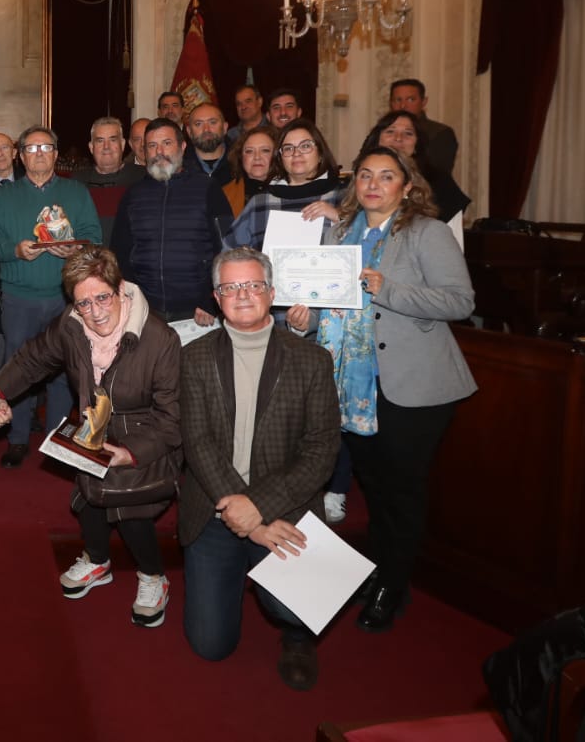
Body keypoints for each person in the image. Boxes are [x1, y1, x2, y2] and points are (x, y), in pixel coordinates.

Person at [288, 145, 477, 632]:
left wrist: (386, 286)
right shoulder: (339, 232)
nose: (372, 184)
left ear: (406, 187)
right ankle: (383, 571)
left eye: (386, 176)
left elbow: (460, 301)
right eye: (365, 176)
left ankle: (393, 584)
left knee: (401, 490)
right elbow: (328, 304)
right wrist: (303, 321)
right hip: (351, 386)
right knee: (374, 486)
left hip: (412, 387)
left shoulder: (426, 233)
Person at [0, 247, 182, 626]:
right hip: (94, 425)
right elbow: (34, 357)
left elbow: (172, 422)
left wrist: (128, 453)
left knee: (126, 505)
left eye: (102, 297)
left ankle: (154, 576)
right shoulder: (71, 325)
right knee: (87, 494)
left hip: (145, 436)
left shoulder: (159, 338)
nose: (95, 311)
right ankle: (98, 562)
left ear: (120, 290)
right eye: (84, 303)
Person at [178, 247, 337, 690]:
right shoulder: (193, 358)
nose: (242, 295)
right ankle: (244, 571)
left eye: (252, 285)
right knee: (211, 645)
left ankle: (296, 633)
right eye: (231, 287)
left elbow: (322, 450)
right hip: (214, 507)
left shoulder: (312, 360)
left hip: (285, 506)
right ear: (216, 296)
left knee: (292, 606)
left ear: (271, 292)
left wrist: (260, 510)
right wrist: (246, 522)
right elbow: (198, 443)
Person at [0, 126, 101, 468]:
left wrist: (73, 249)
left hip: (66, 299)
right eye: (31, 149)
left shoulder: (76, 192)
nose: (39, 154)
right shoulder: (4, 196)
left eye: (46, 147)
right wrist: (14, 250)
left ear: (56, 154)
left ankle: (56, 440)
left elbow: (94, 236)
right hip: (18, 298)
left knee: (65, 371)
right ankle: (17, 439)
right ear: (21, 155)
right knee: (19, 370)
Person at [110, 119, 218, 324]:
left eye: (167, 143)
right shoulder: (133, 195)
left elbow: (225, 248)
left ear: (182, 146)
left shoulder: (207, 189)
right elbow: (120, 253)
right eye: (152, 145)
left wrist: (210, 299)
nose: (159, 151)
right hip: (146, 311)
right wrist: (131, 299)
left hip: (197, 312)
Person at [225, 119, 346, 249]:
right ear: (280, 158)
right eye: (288, 149)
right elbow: (228, 250)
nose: (296, 153)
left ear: (321, 153)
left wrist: (339, 218)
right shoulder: (260, 202)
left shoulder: (343, 196)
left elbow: (367, 247)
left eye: (305, 146)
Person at [362, 110, 470, 223]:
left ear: (417, 144)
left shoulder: (439, 181)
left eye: (408, 133)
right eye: (390, 131)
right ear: (377, 140)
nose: (398, 138)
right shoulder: (361, 177)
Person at [73, 116, 146, 244]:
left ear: (122, 145)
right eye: (100, 141)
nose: (106, 147)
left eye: (113, 140)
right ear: (91, 147)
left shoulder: (142, 178)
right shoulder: (77, 183)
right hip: (90, 261)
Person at [208, 124, 278, 243]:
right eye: (249, 151)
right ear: (241, 157)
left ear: (277, 155)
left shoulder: (290, 190)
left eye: (265, 151)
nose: (257, 157)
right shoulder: (223, 194)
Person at [389, 78, 459, 176]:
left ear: (423, 102)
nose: (403, 105)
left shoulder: (440, 133)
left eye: (411, 99)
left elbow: (437, 176)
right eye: (398, 100)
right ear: (391, 103)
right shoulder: (382, 132)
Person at [183, 102, 234, 184]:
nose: (206, 129)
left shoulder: (242, 164)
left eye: (212, 122)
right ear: (189, 131)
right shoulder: (178, 169)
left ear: (225, 127)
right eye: (198, 124)